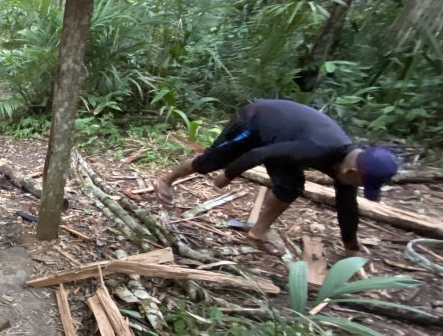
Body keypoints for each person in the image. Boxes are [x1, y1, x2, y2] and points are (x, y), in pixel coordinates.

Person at [154, 99, 397, 255]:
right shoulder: (317, 148)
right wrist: (228, 175)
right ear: (353, 172)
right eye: (363, 183)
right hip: (256, 121)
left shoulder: (348, 167)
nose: (358, 187)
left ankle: (258, 232)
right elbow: (260, 153)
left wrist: (351, 247)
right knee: (211, 161)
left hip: (282, 140)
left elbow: (347, 206)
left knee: (290, 186)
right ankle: (166, 180)